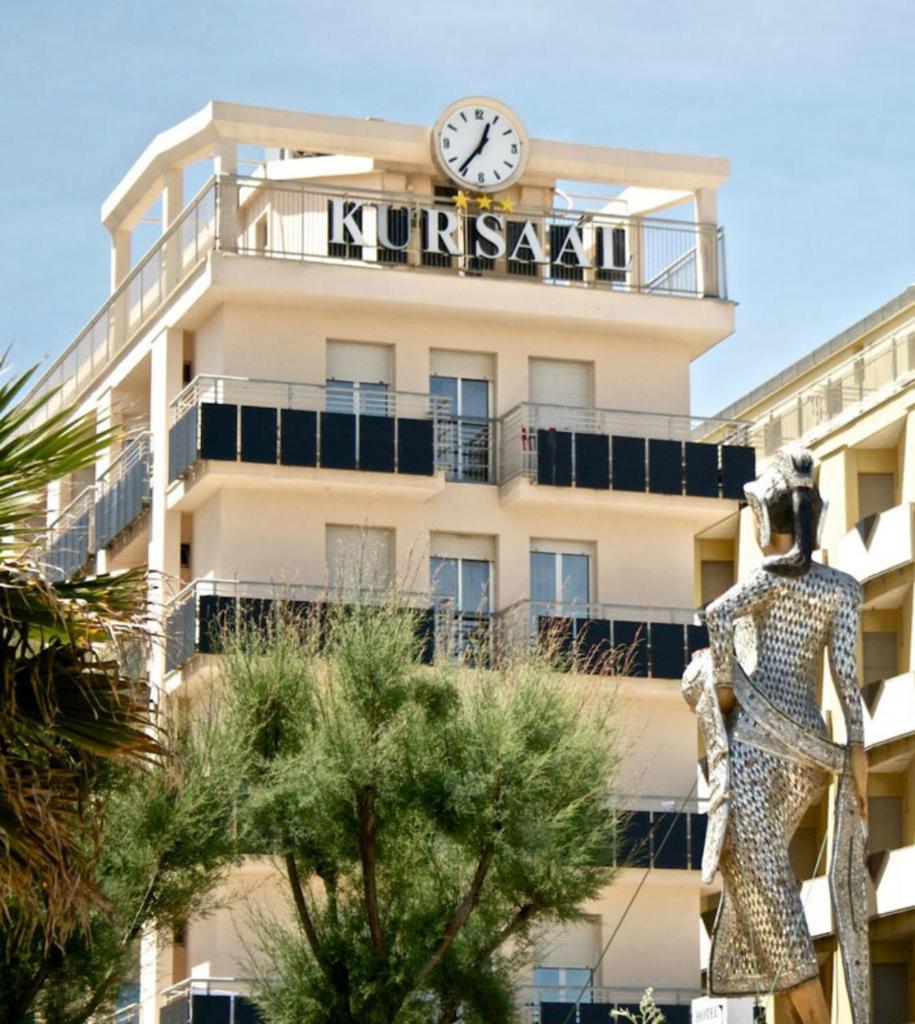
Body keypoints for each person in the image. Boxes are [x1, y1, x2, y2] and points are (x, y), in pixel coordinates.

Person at [683, 445, 869, 1024]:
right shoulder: (842, 589)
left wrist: (724, 675)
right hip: (809, 757)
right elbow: (847, 682)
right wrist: (858, 764)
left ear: (767, 512)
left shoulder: (767, 579)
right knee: (766, 883)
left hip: (759, 745)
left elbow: (714, 616)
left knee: (763, 882)